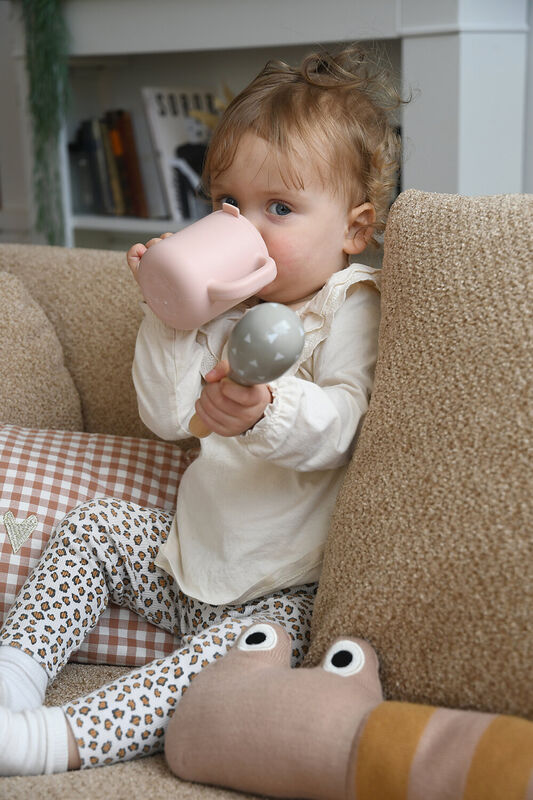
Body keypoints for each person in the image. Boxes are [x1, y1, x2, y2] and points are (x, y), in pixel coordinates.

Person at [0, 44, 404, 775]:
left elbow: (346, 425)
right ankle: (13, 676)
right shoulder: (227, 307)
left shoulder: (350, 304)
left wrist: (266, 409)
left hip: (277, 592)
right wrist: (169, 312)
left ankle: (53, 741)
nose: (246, 226)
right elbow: (163, 415)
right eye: (227, 204)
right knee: (93, 527)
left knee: (220, 668)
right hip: (183, 563)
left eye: (279, 208)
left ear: (353, 227)